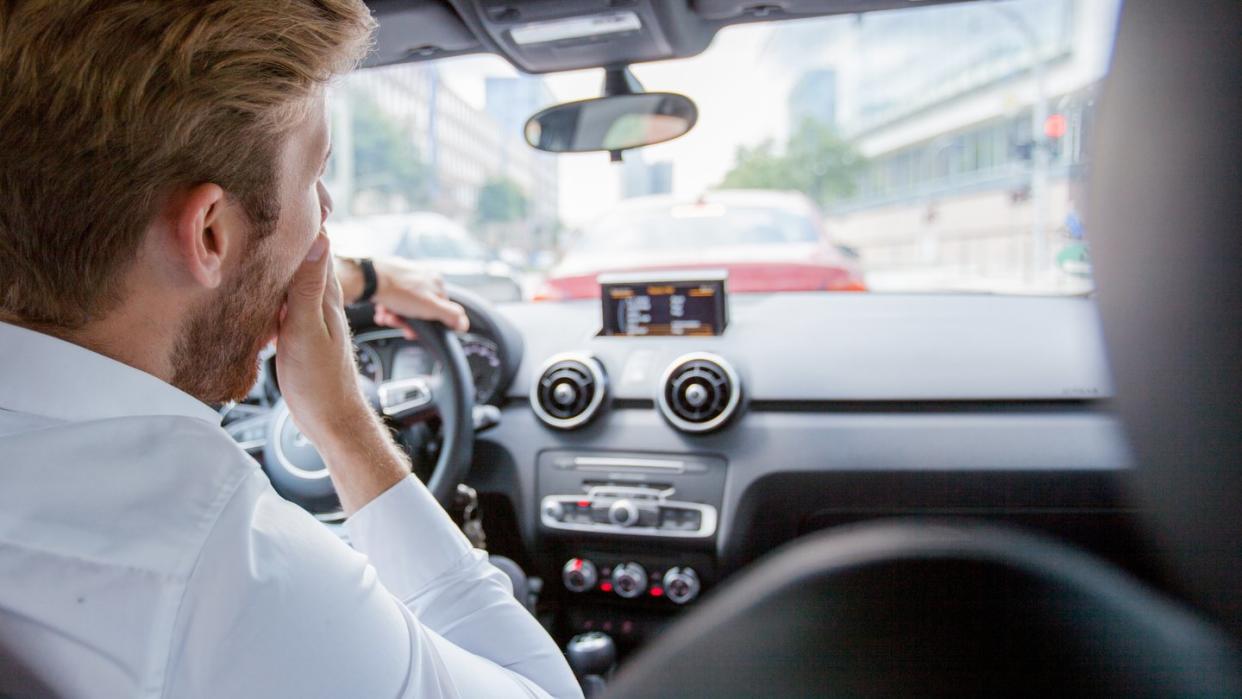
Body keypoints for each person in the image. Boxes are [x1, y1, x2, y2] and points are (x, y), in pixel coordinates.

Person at [0, 1, 582, 697]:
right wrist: (344, 428)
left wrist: (365, 277)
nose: (327, 210)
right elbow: (544, 688)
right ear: (211, 233)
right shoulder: (226, 570)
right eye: (315, 174)